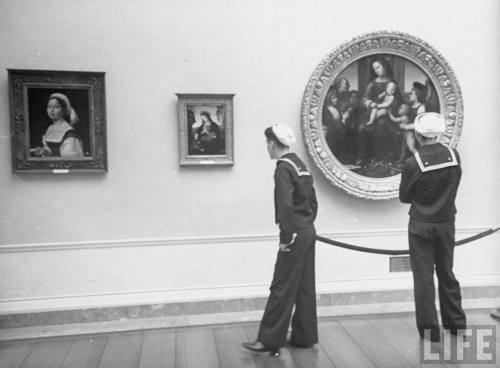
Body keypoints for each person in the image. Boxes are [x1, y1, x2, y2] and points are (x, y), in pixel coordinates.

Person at [242, 124, 318, 357]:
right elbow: (313, 203)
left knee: (282, 286)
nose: (267, 148)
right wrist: (305, 225)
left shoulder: (283, 168)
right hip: (307, 231)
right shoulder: (300, 164)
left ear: (273, 144)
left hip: (293, 234)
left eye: (267, 144)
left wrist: (287, 236)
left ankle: (268, 340)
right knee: (305, 286)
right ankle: (304, 337)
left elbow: (284, 206)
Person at [399, 112, 466, 342]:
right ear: (440, 132)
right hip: (446, 222)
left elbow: (404, 197)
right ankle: (456, 323)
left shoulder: (412, 162)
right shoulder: (453, 155)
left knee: (424, 278)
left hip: (420, 225)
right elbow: (454, 184)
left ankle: (430, 332)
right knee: (447, 272)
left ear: (418, 134)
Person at [31, 93, 84, 157]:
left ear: (64, 110)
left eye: (56, 107)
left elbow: (69, 158)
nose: (51, 110)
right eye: (49, 107)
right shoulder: (50, 128)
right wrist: (44, 151)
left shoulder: (69, 132)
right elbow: (49, 150)